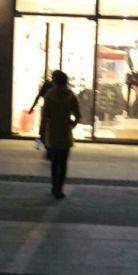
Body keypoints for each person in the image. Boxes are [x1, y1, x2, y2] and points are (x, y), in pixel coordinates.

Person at [39, 70, 80, 199]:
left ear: (55, 82)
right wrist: (72, 125)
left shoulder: (49, 95)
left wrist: (42, 131)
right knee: (63, 163)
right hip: (65, 133)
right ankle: (59, 189)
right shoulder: (70, 96)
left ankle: (54, 186)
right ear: (66, 82)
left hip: (52, 133)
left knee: (54, 162)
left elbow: (45, 116)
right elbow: (78, 115)